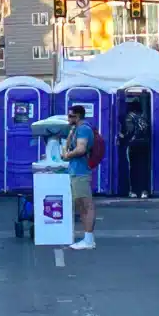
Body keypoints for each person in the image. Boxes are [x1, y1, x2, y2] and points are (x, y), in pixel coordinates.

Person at [61, 105, 96, 250]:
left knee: (86, 205)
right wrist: (70, 134)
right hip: (76, 171)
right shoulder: (76, 129)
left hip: (81, 172)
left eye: (71, 116)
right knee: (81, 206)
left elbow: (81, 149)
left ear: (78, 117)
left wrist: (68, 155)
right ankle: (87, 238)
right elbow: (68, 147)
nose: (68, 119)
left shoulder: (83, 129)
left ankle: (89, 239)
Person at [118, 100, 151, 198]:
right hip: (145, 145)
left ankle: (134, 191)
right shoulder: (144, 116)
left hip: (133, 145)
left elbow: (130, 130)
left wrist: (122, 136)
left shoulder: (129, 116)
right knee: (143, 168)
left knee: (133, 168)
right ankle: (144, 191)